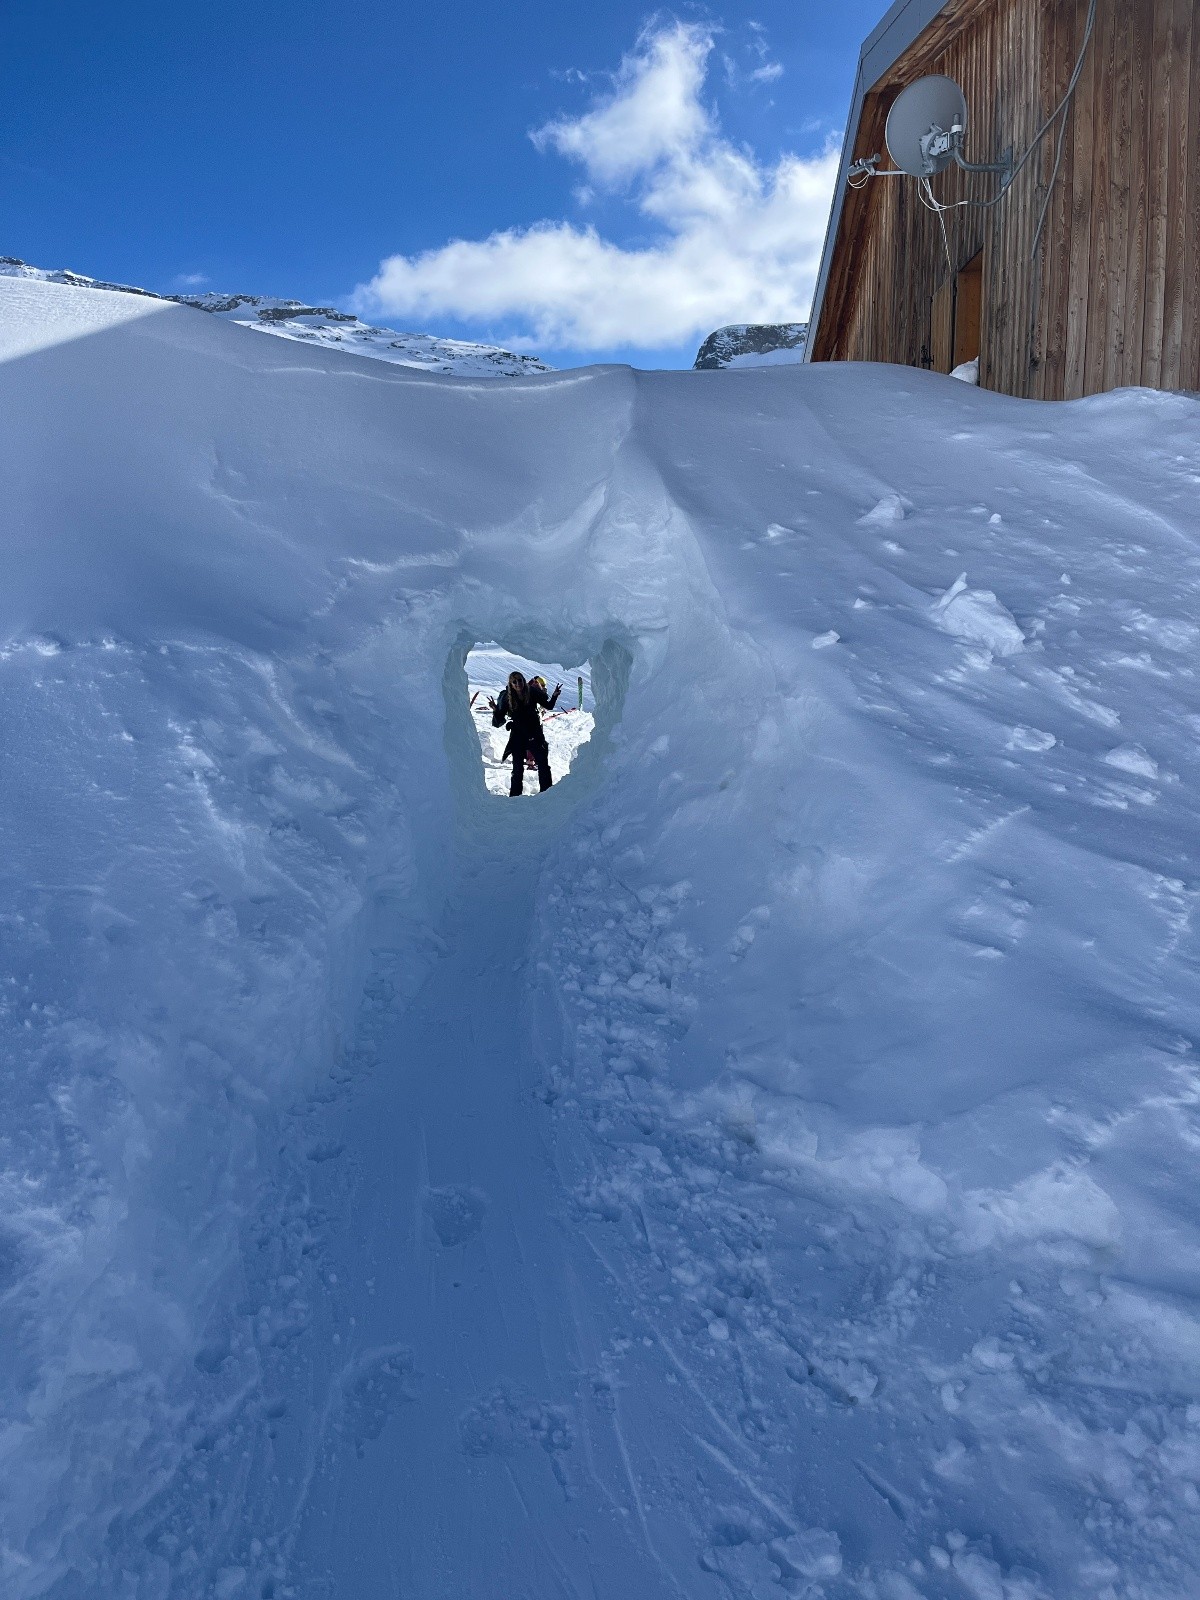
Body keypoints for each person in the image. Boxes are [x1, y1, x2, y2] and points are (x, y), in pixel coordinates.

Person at [489, 670, 561, 796]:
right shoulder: (507, 697)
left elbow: (548, 706)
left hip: (534, 734)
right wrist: (496, 710)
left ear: (524, 680)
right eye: (514, 682)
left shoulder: (532, 692)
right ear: (511, 684)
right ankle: (515, 797)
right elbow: (499, 720)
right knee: (517, 770)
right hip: (518, 736)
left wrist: (554, 695)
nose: (518, 683)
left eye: (520, 680)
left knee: (543, 765)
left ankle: (547, 794)